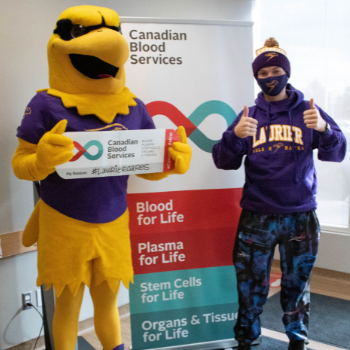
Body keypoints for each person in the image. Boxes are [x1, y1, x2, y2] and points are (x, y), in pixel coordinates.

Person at [212, 38, 346, 350]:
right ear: (256, 77)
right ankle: (247, 338)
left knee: (296, 284)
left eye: (276, 70)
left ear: (286, 73)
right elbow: (223, 161)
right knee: (249, 284)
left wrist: (325, 130)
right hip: (256, 216)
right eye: (263, 72)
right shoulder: (249, 114)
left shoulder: (309, 111)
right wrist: (234, 136)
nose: (270, 76)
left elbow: (337, 153)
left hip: (300, 214)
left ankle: (297, 340)